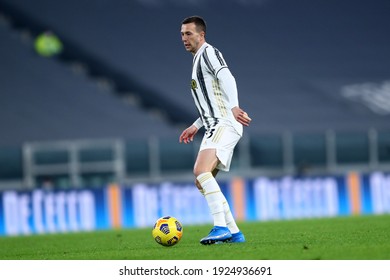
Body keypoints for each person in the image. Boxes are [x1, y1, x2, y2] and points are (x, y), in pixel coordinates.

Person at [179, 16, 252, 245]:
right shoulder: (196, 60)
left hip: (224, 123)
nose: (184, 38)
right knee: (202, 181)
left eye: (188, 33)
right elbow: (212, 101)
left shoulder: (209, 53)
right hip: (212, 124)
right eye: (182, 34)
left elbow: (227, 77)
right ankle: (234, 232)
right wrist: (195, 125)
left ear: (201, 35)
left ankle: (219, 227)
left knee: (201, 170)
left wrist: (234, 106)